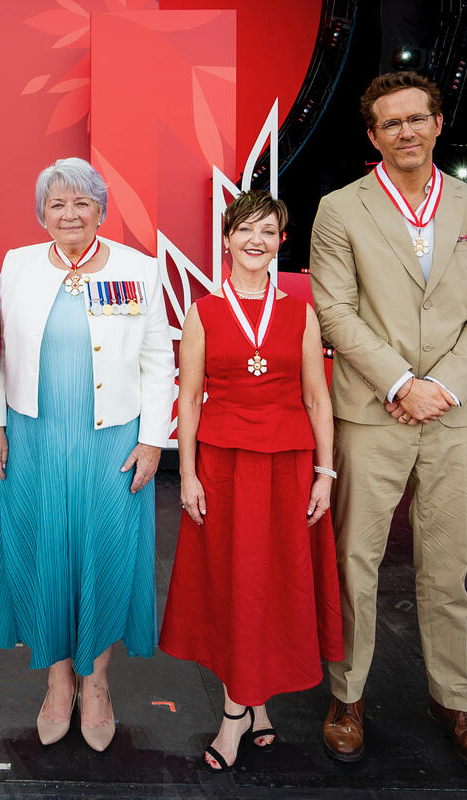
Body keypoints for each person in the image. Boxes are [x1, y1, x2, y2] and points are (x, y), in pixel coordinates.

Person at [310, 70, 467, 778]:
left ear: (436, 123)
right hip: (372, 411)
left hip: (455, 416)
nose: (405, 132)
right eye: (390, 123)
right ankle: (347, 696)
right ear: (373, 134)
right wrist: (400, 383)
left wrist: (440, 388)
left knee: (448, 570)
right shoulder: (340, 209)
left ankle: (452, 701)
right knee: (354, 564)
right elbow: (335, 312)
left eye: (415, 119)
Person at [0, 157, 173, 752]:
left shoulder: (137, 269)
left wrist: (151, 439)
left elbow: (158, 358)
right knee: (45, 554)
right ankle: (58, 682)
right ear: (42, 215)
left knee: (106, 554)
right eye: (57, 204)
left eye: (82, 203)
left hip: (111, 441)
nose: (70, 214)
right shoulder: (16, 266)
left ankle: (97, 683)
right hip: (34, 439)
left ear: (101, 211)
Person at [159, 190, 343, 771]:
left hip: (289, 466)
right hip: (225, 465)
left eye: (268, 231)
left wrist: (326, 473)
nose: (256, 241)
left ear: (280, 241)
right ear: (227, 240)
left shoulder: (300, 311)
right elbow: (188, 399)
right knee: (235, 583)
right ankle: (243, 709)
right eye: (245, 230)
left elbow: (318, 396)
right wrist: (186, 473)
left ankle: (248, 705)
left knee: (276, 582)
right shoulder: (204, 312)